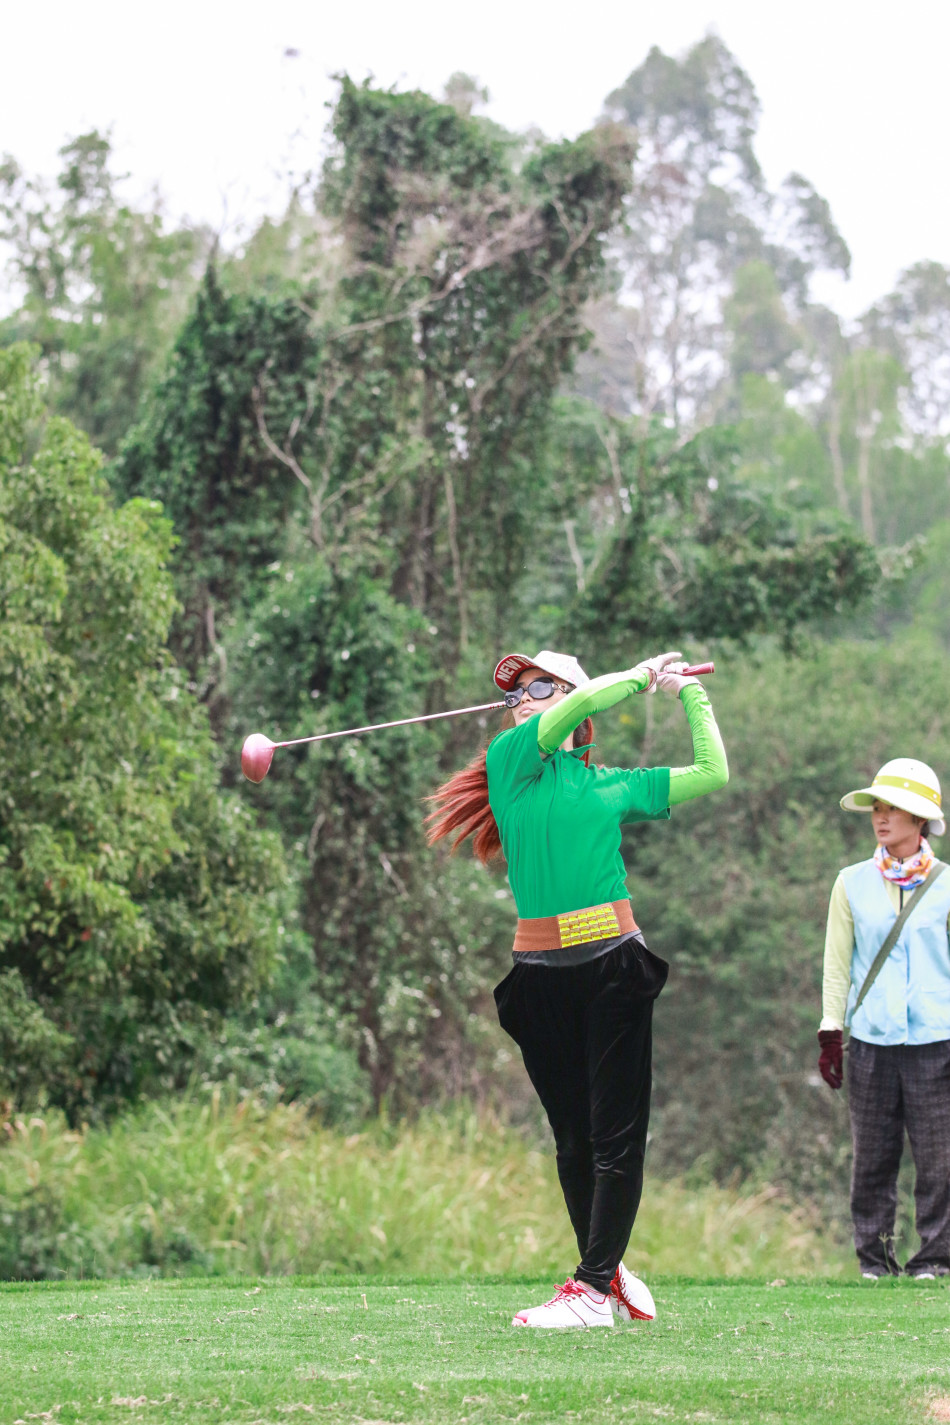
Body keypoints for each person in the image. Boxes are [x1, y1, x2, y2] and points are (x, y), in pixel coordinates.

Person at [426, 648, 728, 1327]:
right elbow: (584, 703)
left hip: (614, 964)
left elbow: (714, 771)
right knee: (572, 1138)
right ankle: (606, 1268)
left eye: (538, 687)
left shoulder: (612, 784)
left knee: (617, 1134)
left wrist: (686, 693)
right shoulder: (510, 763)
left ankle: (591, 1290)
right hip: (539, 975)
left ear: (567, 694)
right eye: (515, 692)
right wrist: (638, 677)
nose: (521, 700)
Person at [819, 758, 950, 1279]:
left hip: (937, 1039)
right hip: (872, 1040)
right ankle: (874, 1260)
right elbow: (837, 963)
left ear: (920, 820)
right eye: (877, 808)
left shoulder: (947, 885)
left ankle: (934, 1259)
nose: (881, 817)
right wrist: (831, 1029)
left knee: (938, 1159)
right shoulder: (850, 883)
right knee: (872, 1157)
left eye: (893, 809)